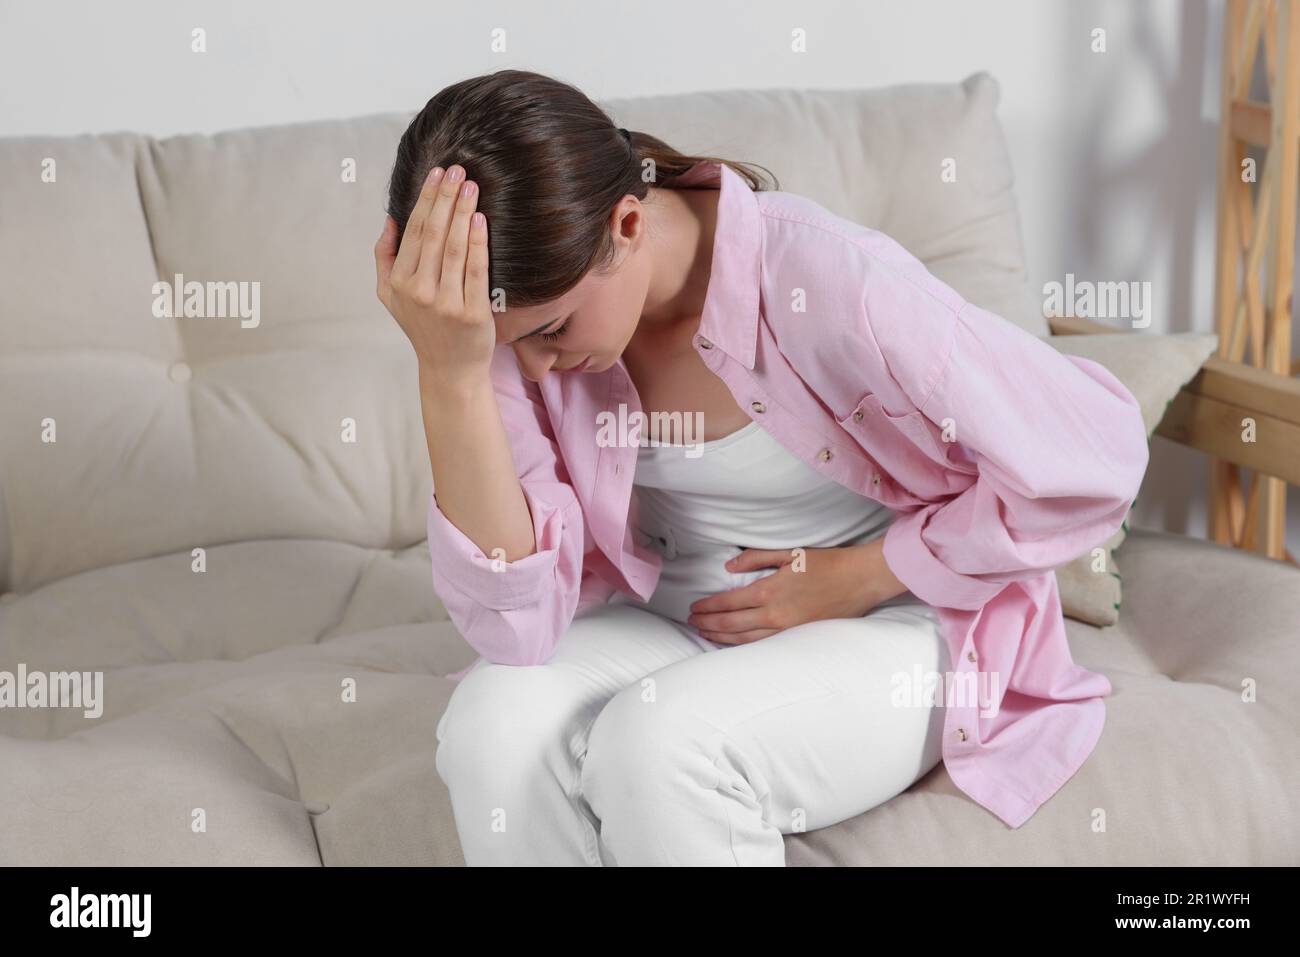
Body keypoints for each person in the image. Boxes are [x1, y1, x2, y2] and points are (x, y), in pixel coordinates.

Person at [373, 70, 1148, 866]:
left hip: (895, 621)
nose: (536, 370)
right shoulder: (505, 331)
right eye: (509, 346)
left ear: (628, 223)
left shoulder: (832, 279)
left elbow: (1098, 453)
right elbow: (516, 626)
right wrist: (452, 371)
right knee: (489, 725)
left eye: (553, 330)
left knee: (664, 744)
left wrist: (869, 570)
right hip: (669, 624)